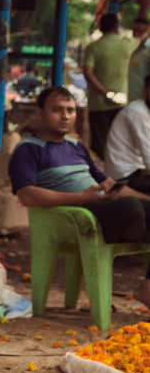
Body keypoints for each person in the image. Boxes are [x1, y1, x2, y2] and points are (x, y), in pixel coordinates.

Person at [9, 85, 150, 308]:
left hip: (97, 208)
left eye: (70, 110)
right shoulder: (28, 149)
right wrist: (81, 197)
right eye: (57, 110)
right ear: (39, 113)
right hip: (70, 218)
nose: (65, 116)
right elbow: (27, 196)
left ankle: (148, 288)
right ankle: (138, 230)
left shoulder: (77, 147)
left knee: (138, 206)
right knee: (131, 208)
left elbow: (109, 186)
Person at [82, 12, 132, 157]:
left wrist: (104, 92)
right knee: (119, 140)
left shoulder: (93, 47)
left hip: (98, 103)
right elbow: (142, 34)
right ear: (117, 26)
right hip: (121, 102)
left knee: (100, 142)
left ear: (100, 27)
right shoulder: (127, 45)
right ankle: (116, 175)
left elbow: (87, 72)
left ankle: (104, 172)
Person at [105, 70, 150, 196]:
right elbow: (148, 157)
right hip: (124, 177)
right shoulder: (138, 112)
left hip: (136, 172)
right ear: (144, 92)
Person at [128, 14, 150, 104]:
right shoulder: (130, 47)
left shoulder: (148, 50)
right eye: (134, 30)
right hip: (128, 98)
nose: (136, 34)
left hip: (142, 100)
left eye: (140, 31)